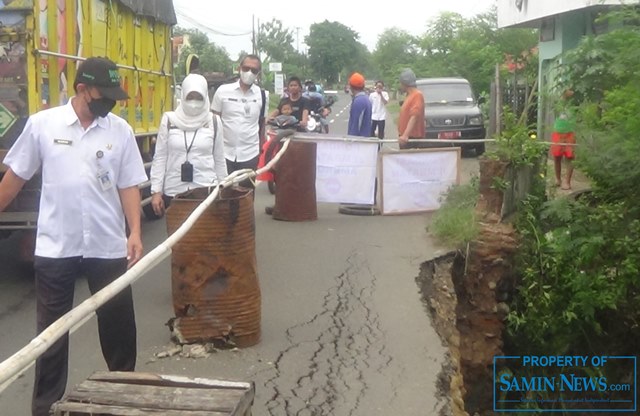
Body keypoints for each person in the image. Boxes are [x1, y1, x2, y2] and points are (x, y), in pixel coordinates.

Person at [0, 56, 146, 416]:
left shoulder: (119, 131)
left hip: (107, 245)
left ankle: (124, 399)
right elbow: (14, 178)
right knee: (50, 336)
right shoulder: (43, 125)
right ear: (83, 89)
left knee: (119, 328)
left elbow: (129, 185)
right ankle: (46, 408)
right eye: (104, 94)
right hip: (56, 247)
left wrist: (136, 231)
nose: (109, 102)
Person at [149, 73, 227, 216]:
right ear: (183, 95)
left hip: (206, 190)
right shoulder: (169, 120)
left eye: (199, 98)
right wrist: (156, 191)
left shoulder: (214, 121)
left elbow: (219, 159)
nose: (194, 102)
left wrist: (224, 190)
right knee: (177, 236)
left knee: (205, 236)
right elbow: (160, 157)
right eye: (190, 97)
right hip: (174, 191)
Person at [211, 54, 269, 177]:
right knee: (223, 193)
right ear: (239, 68)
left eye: (254, 70)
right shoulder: (222, 91)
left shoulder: (263, 96)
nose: (249, 73)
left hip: (250, 154)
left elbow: (262, 123)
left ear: (258, 73)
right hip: (223, 153)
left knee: (246, 194)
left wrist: (260, 149)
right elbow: (214, 122)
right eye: (246, 68)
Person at [397, 68, 425, 149]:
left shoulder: (417, 95)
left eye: (401, 83)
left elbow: (414, 116)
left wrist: (405, 135)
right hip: (406, 137)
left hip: (412, 138)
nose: (400, 85)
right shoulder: (409, 95)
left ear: (404, 83)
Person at [550, 108, 576, 190]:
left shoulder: (576, 98)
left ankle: (567, 181)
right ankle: (558, 180)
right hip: (558, 130)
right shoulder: (558, 99)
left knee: (570, 157)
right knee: (557, 156)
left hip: (570, 131)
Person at [347, 72, 372, 137]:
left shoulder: (359, 101)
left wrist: (350, 140)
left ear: (351, 86)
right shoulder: (365, 99)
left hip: (358, 142)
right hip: (365, 138)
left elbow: (356, 124)